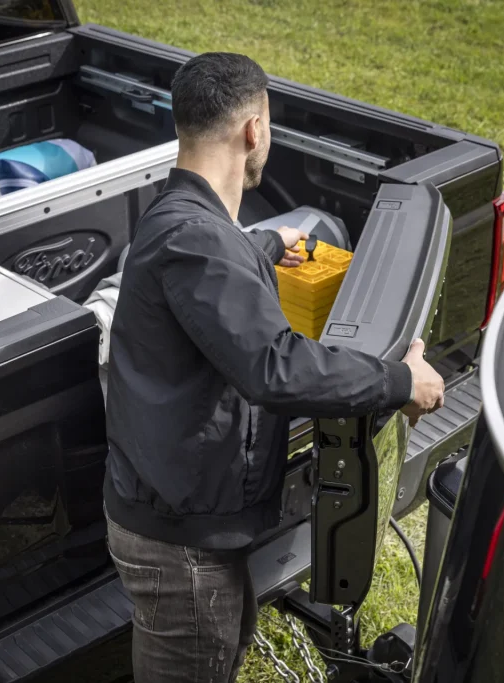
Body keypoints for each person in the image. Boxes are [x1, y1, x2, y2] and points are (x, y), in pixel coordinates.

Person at [103, 52, 445, 683]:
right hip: (181, 544)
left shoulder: (185, 220)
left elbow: (213, 268)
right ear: (254, 130)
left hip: (188, 521)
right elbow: (276, 369)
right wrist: (398, 382)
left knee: (225, 647)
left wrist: (265, 246)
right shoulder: (198, 241)